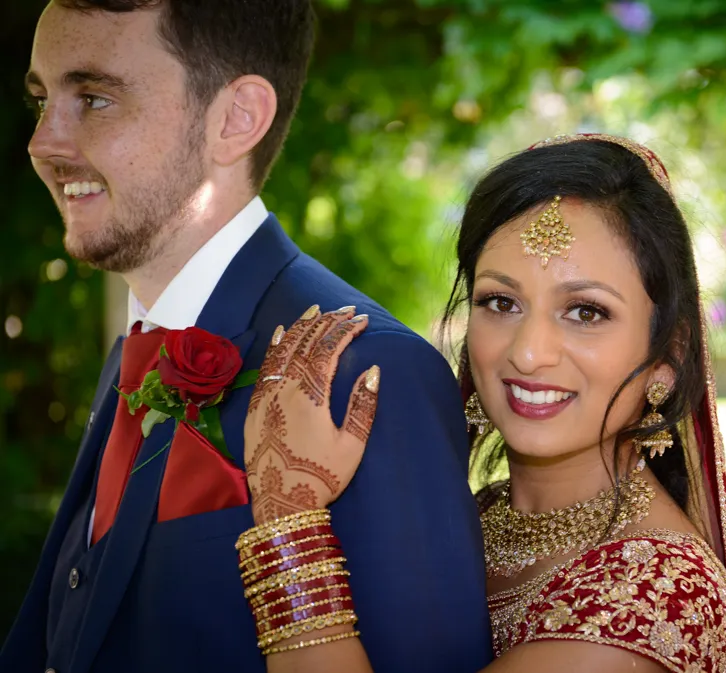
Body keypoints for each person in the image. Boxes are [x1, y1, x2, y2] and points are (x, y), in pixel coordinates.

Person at [2, 2, 491, 672]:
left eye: (93, 98)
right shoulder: (138, 349)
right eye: (41, 98)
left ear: (236, 120)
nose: (44, 142)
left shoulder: (366, 369)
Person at [241, 134, 726, 672]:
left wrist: (288, 519)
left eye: (585, 312)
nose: (528, 354)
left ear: (667, 358)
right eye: (500, 302)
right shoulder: (473, 516)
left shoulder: (662, 590)